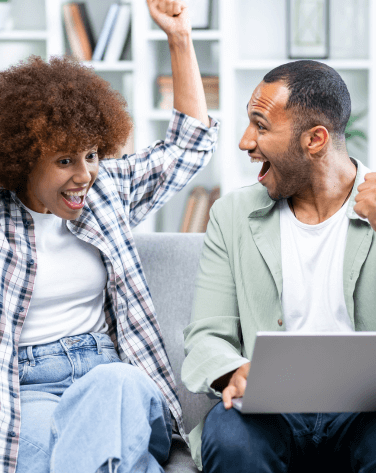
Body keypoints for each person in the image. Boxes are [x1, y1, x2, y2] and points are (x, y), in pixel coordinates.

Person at [0, 0, 218, 471]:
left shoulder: (107, 192)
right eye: (64, 161)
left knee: (113, 386)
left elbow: (190, 145)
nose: (85, 176)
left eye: (93, 155)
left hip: (110, 375)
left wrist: (180, 37)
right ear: (21, 159)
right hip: (27, 389)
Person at [182, 59, 376, 473]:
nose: (245, 141)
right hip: (268, 414)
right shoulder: (231, 214)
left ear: (315, 139)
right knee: (230, 436)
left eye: (261, 126)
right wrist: (235, 370)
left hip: (366, 413)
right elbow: (206, 337)